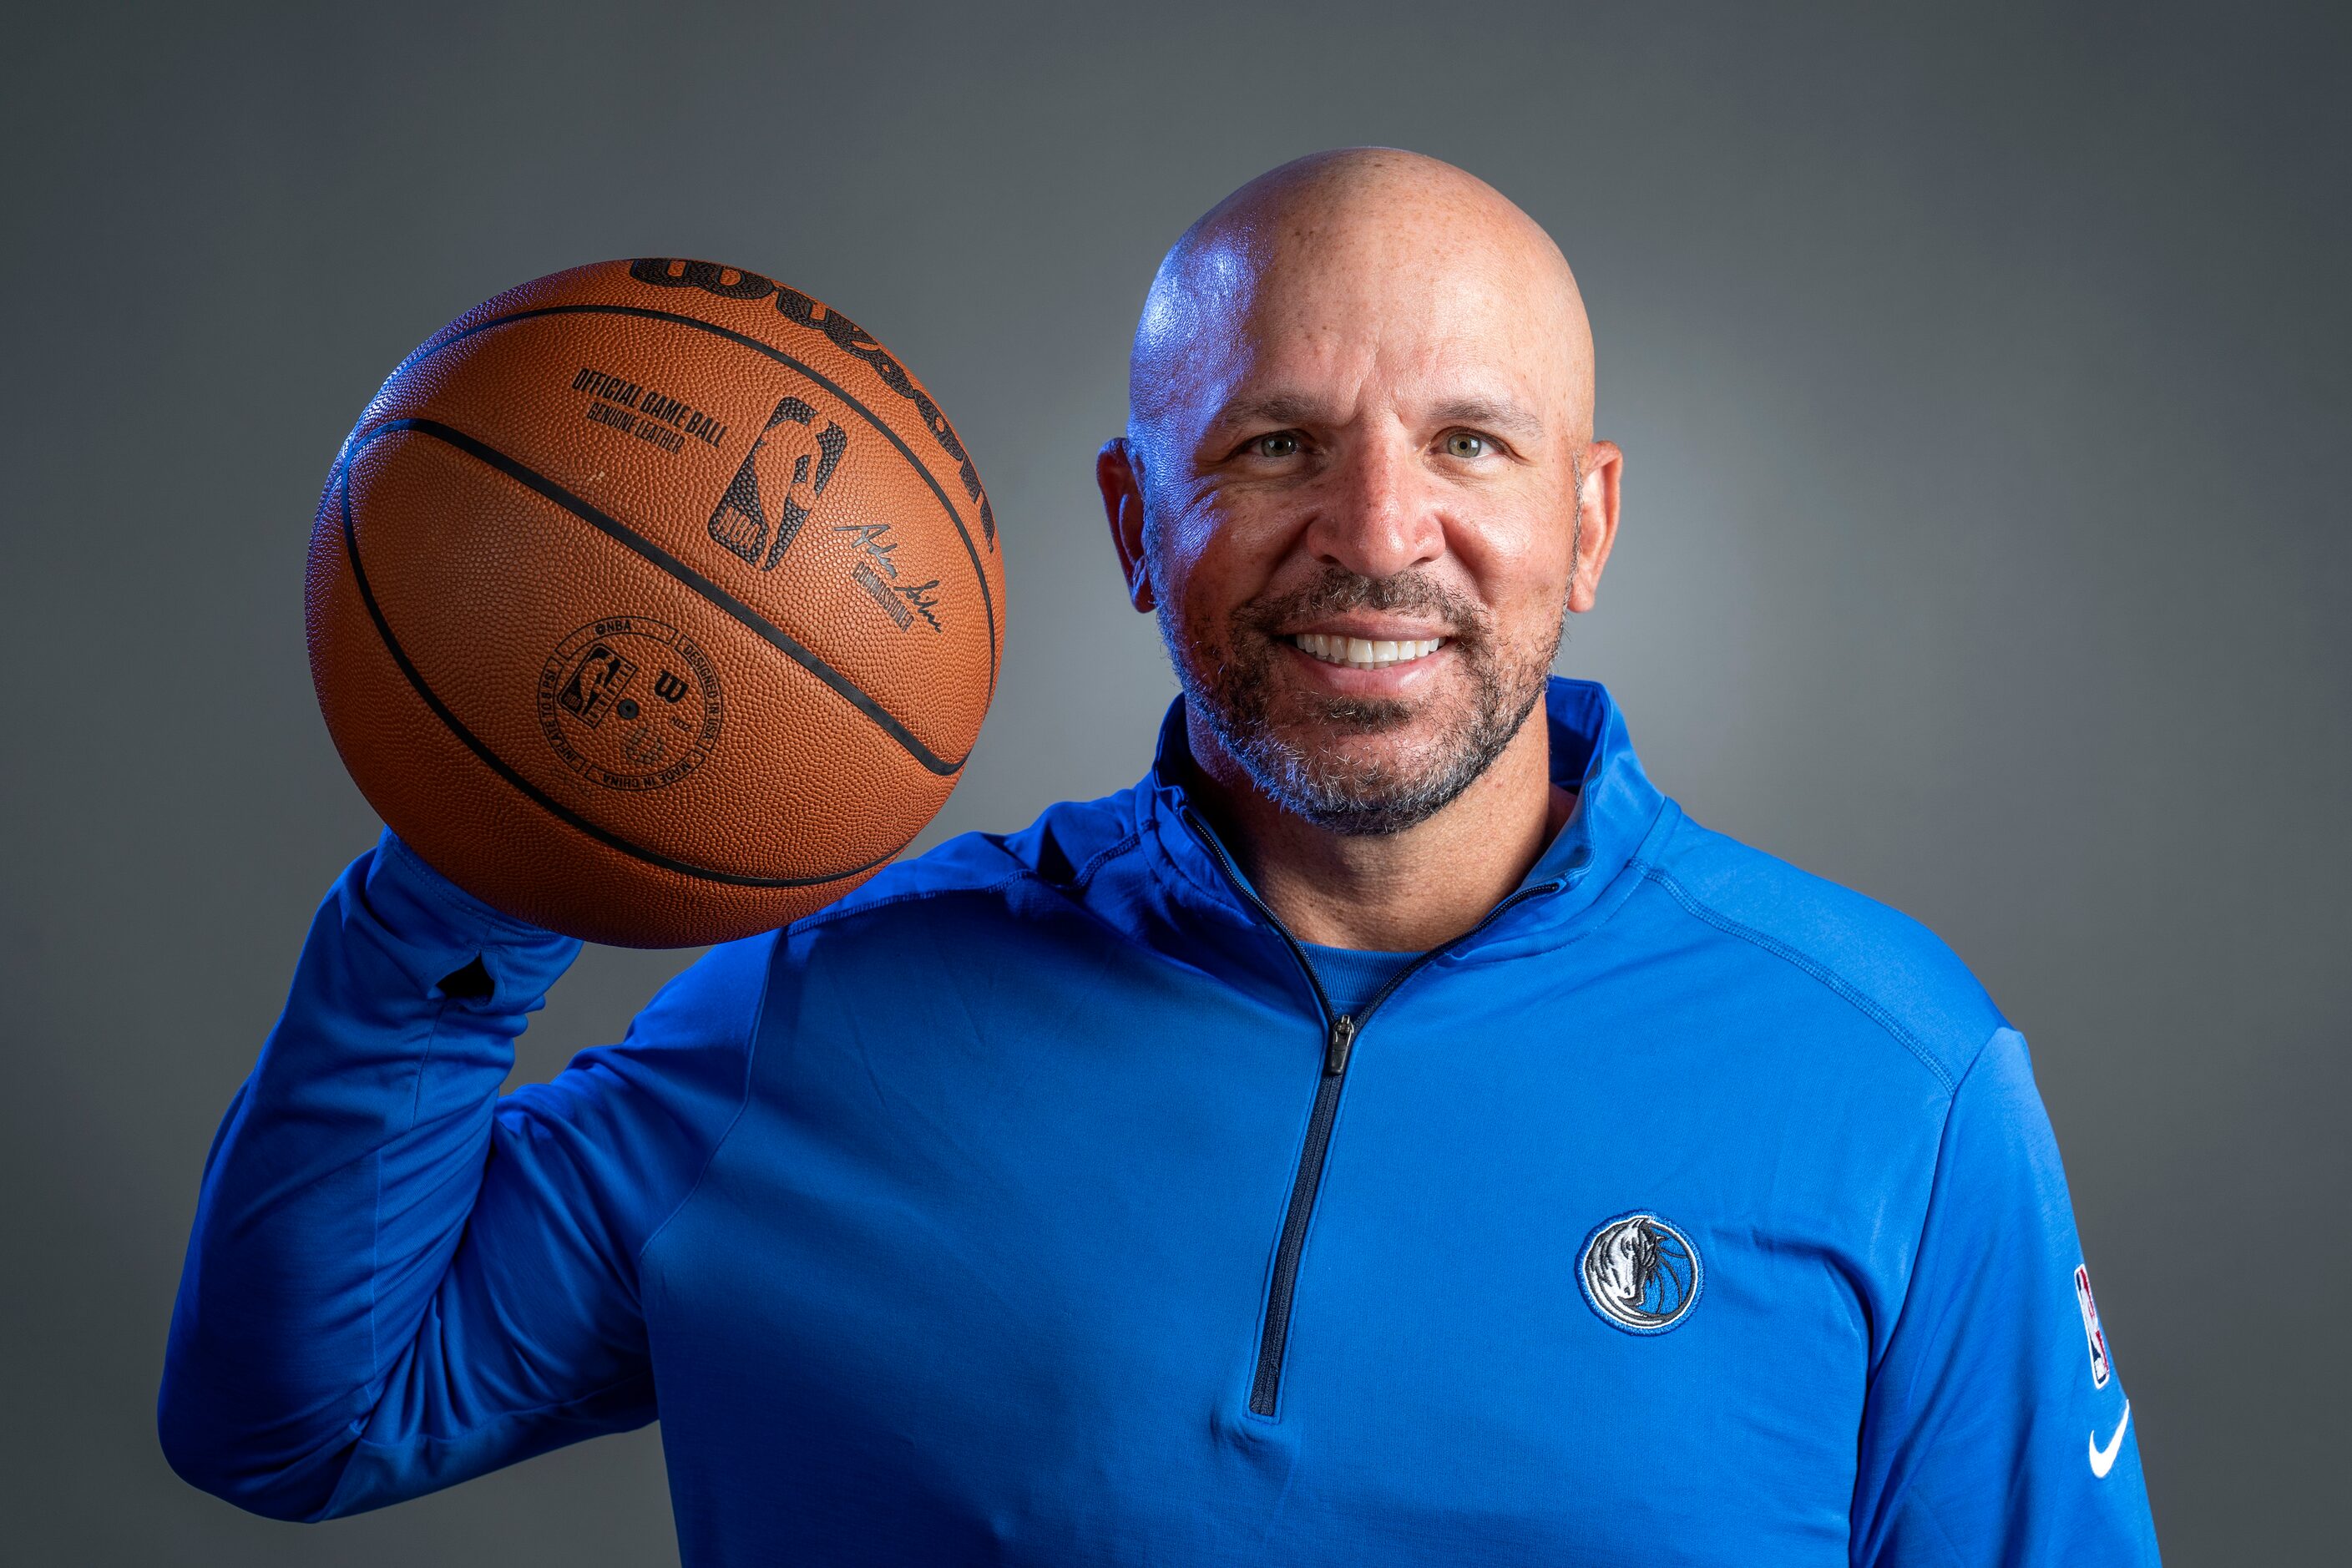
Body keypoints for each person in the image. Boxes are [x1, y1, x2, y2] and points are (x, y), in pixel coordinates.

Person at [159, 149, 2161, 1564]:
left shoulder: (1889, 1079)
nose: (1376, 535)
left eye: (1466, 444)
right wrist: (488, 839)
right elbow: (298, 1416)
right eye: (1273, 446)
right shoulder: (832, 1000)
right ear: (1131, 522)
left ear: (1589, 519)